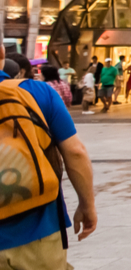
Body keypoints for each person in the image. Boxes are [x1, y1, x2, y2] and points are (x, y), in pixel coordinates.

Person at [0, 46, 98, 266]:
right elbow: (75, 152)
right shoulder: (37, 92)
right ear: (1, 53)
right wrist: (87, 205)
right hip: (39, 232)